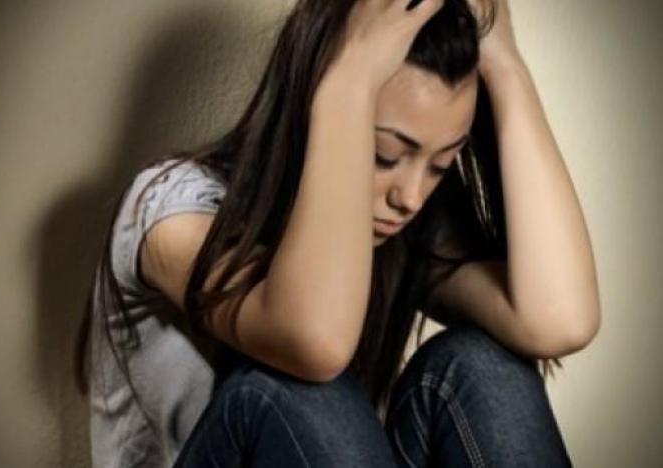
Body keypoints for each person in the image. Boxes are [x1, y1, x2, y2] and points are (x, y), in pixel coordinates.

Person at [76, 0, 601, 466]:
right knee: (296, 385)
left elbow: (558, 320)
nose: (410, 196)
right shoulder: (171, 208)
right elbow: (313, 341)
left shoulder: (404, 233)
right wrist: (347, 80)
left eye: (440, 165)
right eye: (384, 155)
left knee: (481, 366)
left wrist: (506, 67)